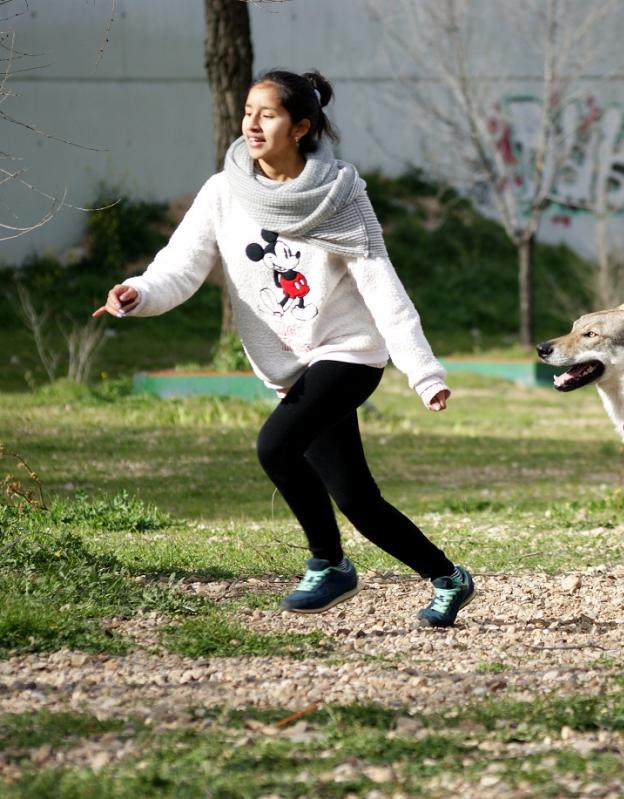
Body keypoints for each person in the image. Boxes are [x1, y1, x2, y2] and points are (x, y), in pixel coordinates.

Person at [93, 69, 474, 627]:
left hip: (349, 352)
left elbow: (384, 290)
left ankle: (329, 563)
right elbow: (179, 267)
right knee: (355, 498)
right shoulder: (224, 191)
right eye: (248, 111)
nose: (251, 123)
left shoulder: (341, 197)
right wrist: (139, 293)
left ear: (301, 127)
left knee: (275, 445)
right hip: (290, 364)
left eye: (266, 114)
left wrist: (423, 372)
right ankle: (448, 577)